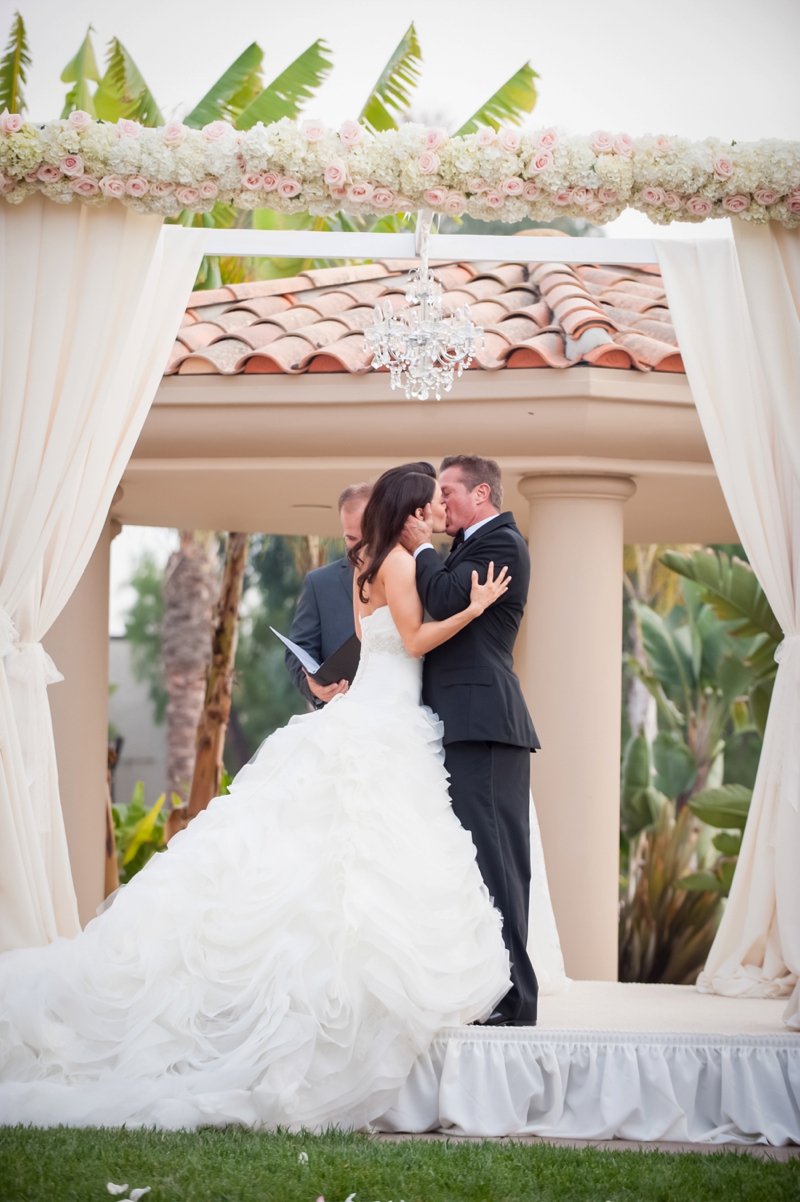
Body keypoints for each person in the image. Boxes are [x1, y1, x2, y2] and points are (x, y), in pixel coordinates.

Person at [0, 469, 511, 1132]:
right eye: (427, 506)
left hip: (375, 712)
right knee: (362, 858)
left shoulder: (365, 566)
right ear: (408, 511)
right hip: (385, 720)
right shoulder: (400, 562)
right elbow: (413, 641)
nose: (435, 515)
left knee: (337, 856)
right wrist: (473, 608)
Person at [402, 455, 540, 1026]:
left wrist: (418, 547)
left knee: (499, 862)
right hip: (460, 721)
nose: (439, 504)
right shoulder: (468, 547)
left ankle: (515, 999)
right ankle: (486, 988)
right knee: (473, 863)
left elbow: (441, 598)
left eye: (448, 492)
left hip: (483, 722)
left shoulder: (502, 545)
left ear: (481, 493)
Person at [286, 465, 437, 707]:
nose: (360, 548)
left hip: (409, 703)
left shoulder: (420, 567)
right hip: (343, 716)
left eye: (367, 537)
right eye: (351, 539)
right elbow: (299, 651)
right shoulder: (319, 583)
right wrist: (314, 687)